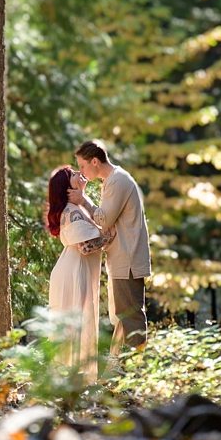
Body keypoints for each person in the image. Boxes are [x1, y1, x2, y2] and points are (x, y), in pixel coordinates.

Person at [75, 140, 150, 349]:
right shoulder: (111, 181)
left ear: (95, 161)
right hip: (122, 259)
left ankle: (137, 372)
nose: (81, 171)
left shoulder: (117, 181)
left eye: (82, 165)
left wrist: (82, 200)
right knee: (122, 318)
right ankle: (122, 372)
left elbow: (104, 220)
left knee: (130, 318)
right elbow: (106, 223)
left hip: (128, 260)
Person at [43, 164, 107, 382]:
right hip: (73, 271)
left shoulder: (76, 208)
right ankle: (69, 381)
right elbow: (85, 247)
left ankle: (70, 382)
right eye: (73, 174)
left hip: (73, 269)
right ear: (66, 187)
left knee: (75, 324)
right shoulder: (71, 212)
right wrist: (112, 236)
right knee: (74, 324)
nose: (80, 173)